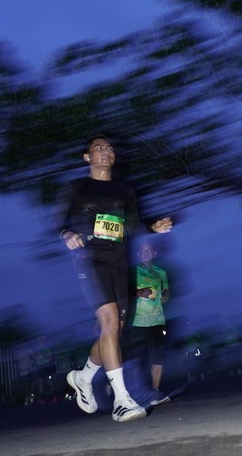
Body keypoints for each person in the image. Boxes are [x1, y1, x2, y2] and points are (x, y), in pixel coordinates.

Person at [60, 135, 172, 422]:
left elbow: (133, 225)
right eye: (99, 148)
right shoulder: (77, 187)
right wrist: (67, 233)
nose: (106, 151)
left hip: (119, 263)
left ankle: (83, 377)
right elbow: (60, 222)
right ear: (87, 157)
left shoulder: (125, 191)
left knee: (114, 331)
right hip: (89, 260)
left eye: (110, 148)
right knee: (109, 321)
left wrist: (154, 226)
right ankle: (122, 401)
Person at [126, 238, 171, 406]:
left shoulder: (161, 273)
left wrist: (165, 296)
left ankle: (155, 392)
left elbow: (166, 294)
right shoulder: (132, 272)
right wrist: (139, 292)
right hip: (137, 322)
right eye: (144, 251)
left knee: (157, 358)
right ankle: (138, 392)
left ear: (154, 253)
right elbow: (125, 292)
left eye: (150, 250)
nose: (147, 253)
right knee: (138, 359)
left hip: (157, 321)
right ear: (139, 254)